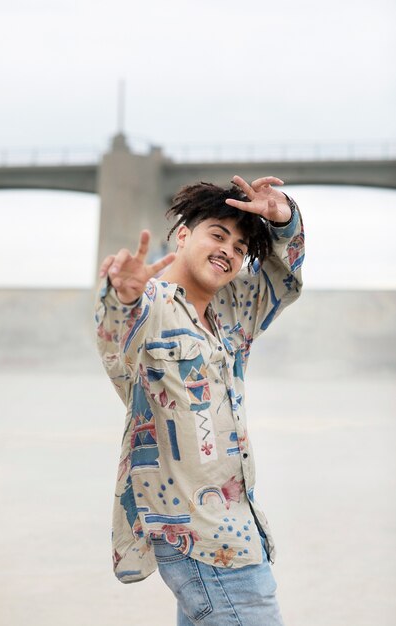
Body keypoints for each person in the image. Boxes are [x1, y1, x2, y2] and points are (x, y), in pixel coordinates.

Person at [95, 175, 305, 626]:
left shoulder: (231, 312)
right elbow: (117, 343)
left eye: (240, 245)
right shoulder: (150, 304)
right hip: (199, 534)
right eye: (218, 234)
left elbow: (283, 281)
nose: (229, 250)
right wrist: (123, 296)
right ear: (184, 234)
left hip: (237, 526)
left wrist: (283, 216)